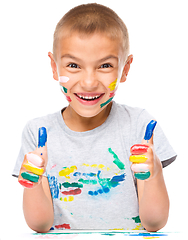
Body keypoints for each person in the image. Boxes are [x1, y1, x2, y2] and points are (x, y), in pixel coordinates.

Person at [12, 3, 177, 233]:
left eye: (105, 66)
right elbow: (40, 225)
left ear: (125, 69)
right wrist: (34, 183)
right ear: (54, 67)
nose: (89, 82)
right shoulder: (39, 133)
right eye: (73, 65)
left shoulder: (139, 126)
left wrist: (154, 173)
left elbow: (154, 223)